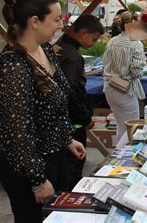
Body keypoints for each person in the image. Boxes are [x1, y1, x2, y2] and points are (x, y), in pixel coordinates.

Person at [0, 0, 86, 222]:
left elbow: (55, 104)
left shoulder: (44, 50)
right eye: (55, 19)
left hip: (52, 156)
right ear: (35, 21)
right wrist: (37, 179)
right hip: (28, 167)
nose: (60, 25)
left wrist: (66, 139)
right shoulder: (12, 66)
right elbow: (16, 132)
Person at [53, 14, 105, 189]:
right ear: (83, 33)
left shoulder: (57, 48)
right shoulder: (72, 56)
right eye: (94, 39)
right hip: (70, 123)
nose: (95, 43)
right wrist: (84, 118)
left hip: (59, 122)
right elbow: (70, 91)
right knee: (72, 171)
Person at [103, 11, 146, 145]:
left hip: (110, 86)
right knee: (132, 127)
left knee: (121, 125)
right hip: (126, 88)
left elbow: (105, 62)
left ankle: (116, 156)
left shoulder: (112, 41)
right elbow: (136, 71)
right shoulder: (136, 44)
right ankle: (117, 156)